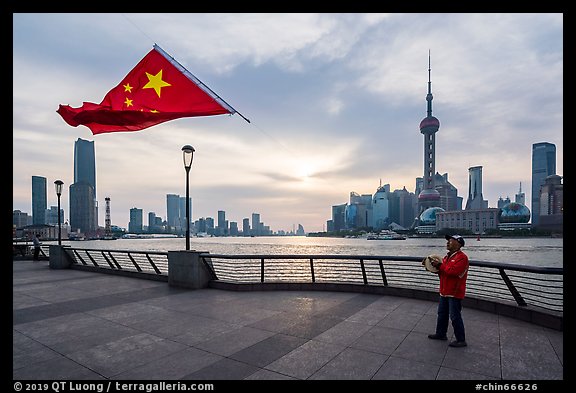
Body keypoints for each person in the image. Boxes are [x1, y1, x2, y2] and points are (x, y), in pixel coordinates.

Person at [426, 234, 469, 347]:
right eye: (448, 240)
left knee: (455, 316)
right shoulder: (446, 257)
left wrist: (440, 265)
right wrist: (431, 267)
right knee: (442, 314)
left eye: (451, 240)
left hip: (454, 293)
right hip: (444, 291)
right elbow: (443, 273)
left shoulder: (462, 258)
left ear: (458, 244)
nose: (447, 242)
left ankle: (461, 340)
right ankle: (441, 334)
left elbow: (453, 272)